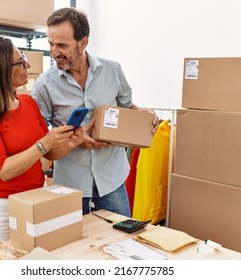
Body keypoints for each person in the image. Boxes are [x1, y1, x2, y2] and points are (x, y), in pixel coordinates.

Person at [0, 36, 83, 248]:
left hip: (37, 198)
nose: (28, 64)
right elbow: (3, 171)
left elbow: (49, 154)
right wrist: (44, 143)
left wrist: (71, 142)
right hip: (1, 209)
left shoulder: (28, 102)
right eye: (20, 61)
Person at [31, 7, 158, 217]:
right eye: (51, 44)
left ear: (83, 42)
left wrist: (144, 114)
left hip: (111, 178)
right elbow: (41, 140)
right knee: (73, 246)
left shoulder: (112, 70)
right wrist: (76, 142)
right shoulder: (44, 85)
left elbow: (128, 108)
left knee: (121, 239)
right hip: (70, 184)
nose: (54, 52)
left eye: (62, 45)